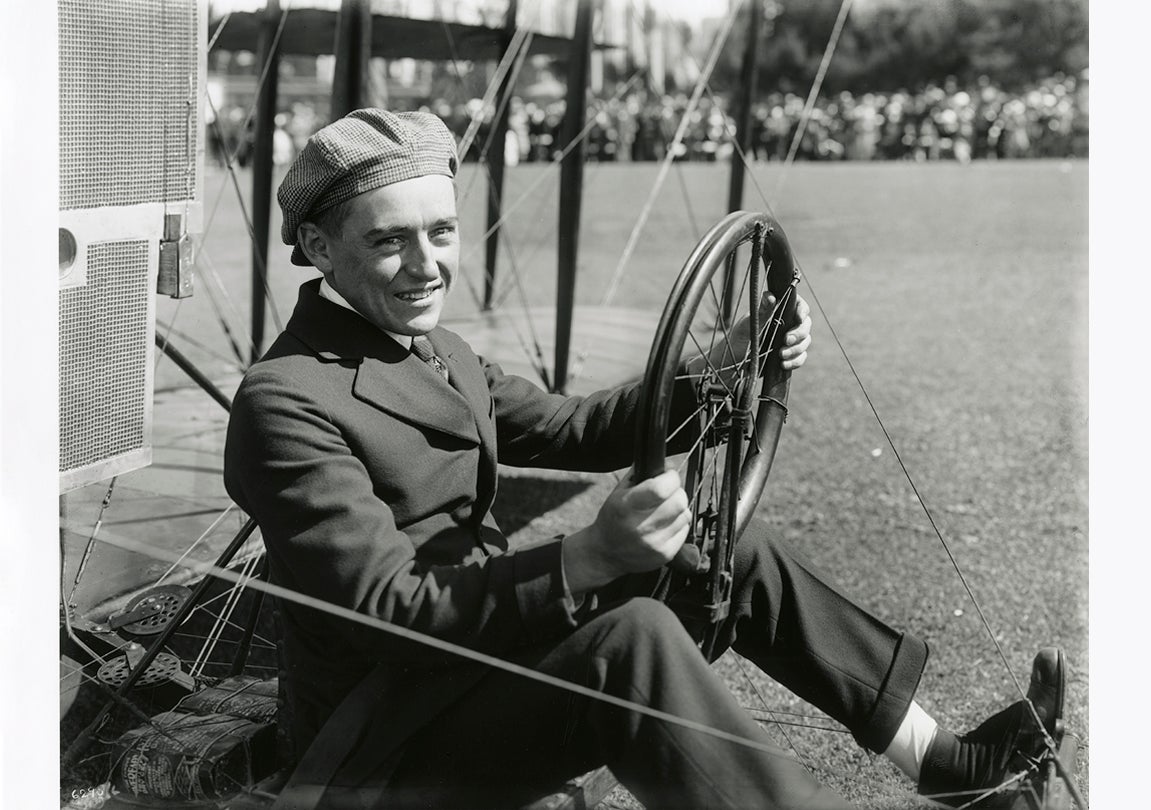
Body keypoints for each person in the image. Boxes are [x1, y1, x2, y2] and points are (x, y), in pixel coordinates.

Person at [223, 109, 1065, 810]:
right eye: (389, 242)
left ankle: (944, 765)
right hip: (385, 741)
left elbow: (574, 427)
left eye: (441, 231)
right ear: (320, 247)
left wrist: (730, 362)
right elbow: (386, 611)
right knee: (627, 642)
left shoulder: (432, 346)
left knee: (726, 547)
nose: (426, 265)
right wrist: (586, 558)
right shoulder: (286, 399)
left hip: (476, 664)